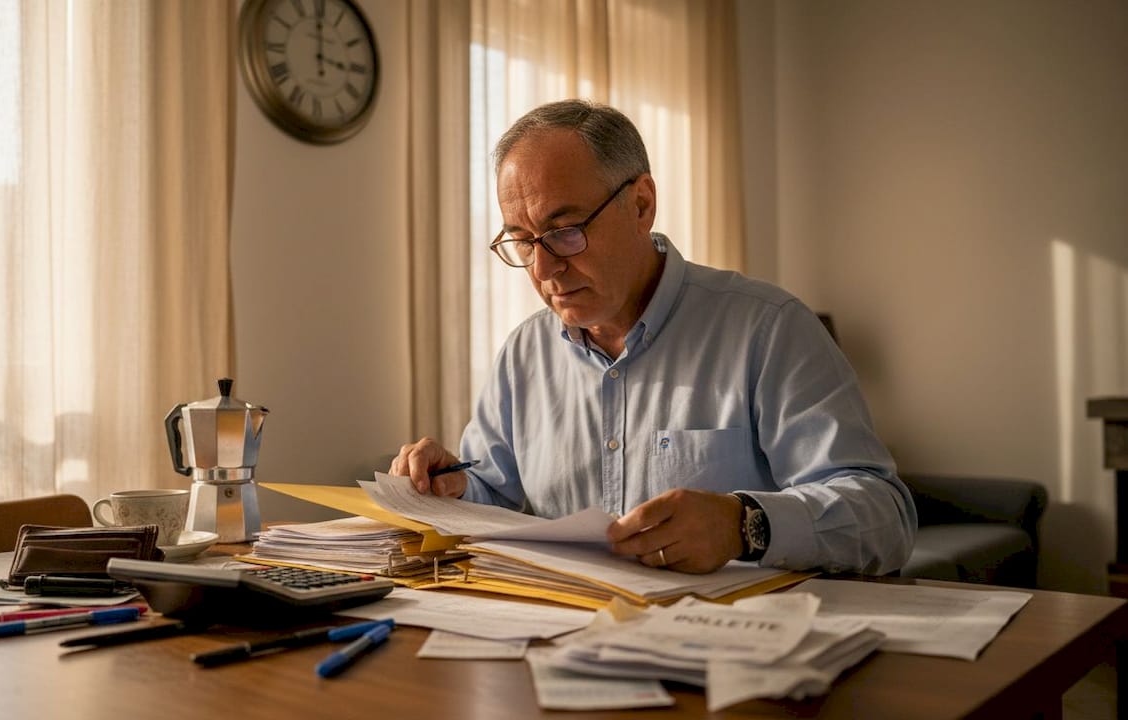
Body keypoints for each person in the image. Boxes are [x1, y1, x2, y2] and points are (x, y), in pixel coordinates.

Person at [390, 99, 916, 575]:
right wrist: (451, 488)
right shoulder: (524, 355)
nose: (544, 267)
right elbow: (494, 498)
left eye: (565, 231)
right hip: (567, 642)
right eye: (523, 241)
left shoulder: (768, 329)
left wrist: (743, 525)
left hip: (736, 652)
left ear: (641, 204)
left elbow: (884, 516)